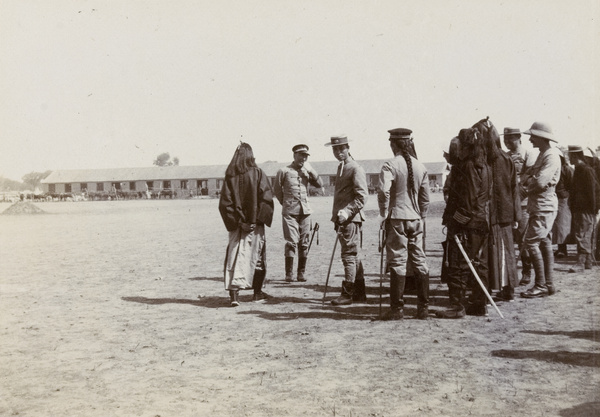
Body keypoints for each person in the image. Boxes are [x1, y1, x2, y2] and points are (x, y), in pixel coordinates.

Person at [437, 126, 491, 318]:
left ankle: (456, 306)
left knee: (458, 265)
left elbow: (467, 202)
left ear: (466, 146)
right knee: (478, 264)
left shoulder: (467, 167)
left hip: (467, 225)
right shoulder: (484, 166)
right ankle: (479, 303)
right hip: (481, 222)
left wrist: (454, 224)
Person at [377, 128, 430, 320]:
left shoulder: (390, 165)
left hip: (397, 218)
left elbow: (384, 191)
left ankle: (397, 309)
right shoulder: (420, 166)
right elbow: (425, 198)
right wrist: (421, 216)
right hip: (415, 219)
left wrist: (384, 213)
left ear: (393, 144)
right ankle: (423, 308)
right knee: (419, 260)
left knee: (398, 261)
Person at [218, 142, 274, 306]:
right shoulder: (258, 173)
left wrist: (238, 222)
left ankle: (234, 297)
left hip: (236, 226)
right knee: (257, 257)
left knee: (233, 257)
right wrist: (255, 221)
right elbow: (267, 199)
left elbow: (224, 204)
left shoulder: (230, 176)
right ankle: (257, 293)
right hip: (254, 226)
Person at [325, 135, 368, 305]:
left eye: (341, 148)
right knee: (354, 256)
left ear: (348, 148)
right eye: (335, 149)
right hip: (342, 219)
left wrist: (346, 212)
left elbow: (362, 196)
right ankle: (359, 293)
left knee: (348, 255)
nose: (338, 152)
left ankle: (347, 294)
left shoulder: (355, 168)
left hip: (350, 219)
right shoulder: (342, 167)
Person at [520, 122, 561, 298]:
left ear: (542, 138)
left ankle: (540, 285)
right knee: (544, 242)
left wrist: (526, 186)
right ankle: (548, 284)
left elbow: (539, 182)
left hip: (544, 206)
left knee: (530, 243)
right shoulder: (543, 154)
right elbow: (529, 175)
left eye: (533, 136)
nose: (530, 139)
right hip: (539, 205)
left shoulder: (551, 156)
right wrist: (528, 180)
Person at [481, 122, 521, 302]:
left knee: (493, 253)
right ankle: (507, 289)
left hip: (493, 215)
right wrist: (516, 215)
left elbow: (513, 188)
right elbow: (515, 189)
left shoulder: (485, 161)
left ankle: (493, 288)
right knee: (506, 252)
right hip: (505, 214)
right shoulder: (507, 159)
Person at [273, 144, 323, 282]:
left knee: (304, 242)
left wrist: (311, 170)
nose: (303, 158)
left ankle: (301, 273)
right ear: (294, 155)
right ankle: (289, 274)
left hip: (305, 211)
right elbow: (277, 189)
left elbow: (320, 184)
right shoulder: (284, 171)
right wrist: (286, 203)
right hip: (290, 211)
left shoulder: (307, 171)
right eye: (301, 155)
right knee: (291, 242)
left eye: (305, 156)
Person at [503, 127, 538, 287]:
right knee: (509, 240)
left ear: (518, 138)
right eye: (506, 139)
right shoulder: (506, 156)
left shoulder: (528, 154)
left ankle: (526, 271)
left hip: (523, 204)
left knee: (523, 239)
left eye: (511, 138)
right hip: (507, 203)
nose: (507, 142)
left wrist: (518, 194)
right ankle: (510, 274)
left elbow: (530, 178)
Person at [567, 145, 598, 272]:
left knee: (582, 234)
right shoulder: (579, 169)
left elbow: (593, 192)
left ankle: (580, 263)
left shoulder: (585, 170)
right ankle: (588, 262)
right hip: (580, 208)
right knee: (585, 232)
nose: (569, 158)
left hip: (585, 209)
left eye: (570, 156)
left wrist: (593, 209)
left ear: (575, 156)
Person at [552, 150, 574, 258]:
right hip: (556, 198)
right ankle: (560, 248)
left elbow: (572, 185)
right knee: (557, 226)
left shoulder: (567, 169)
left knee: (562, 226)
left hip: (564, 199)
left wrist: (566, 195)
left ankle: (563, 250)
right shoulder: (554, 168)